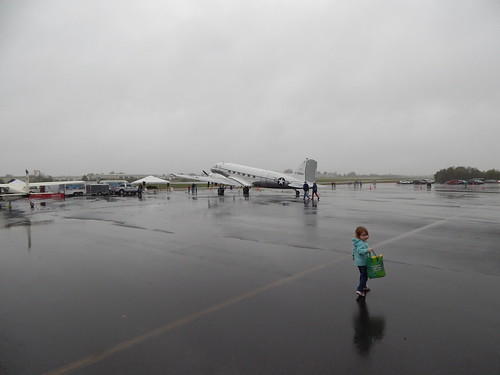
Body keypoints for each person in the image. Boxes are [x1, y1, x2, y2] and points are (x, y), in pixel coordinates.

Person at [352, 226, 373, 297]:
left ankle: (363, 285)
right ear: (358, 236)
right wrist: (367, 250)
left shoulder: (358, 242)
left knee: (362, 275)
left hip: (359, 262)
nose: (365, 236)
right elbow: (360, 251)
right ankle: (360, 289)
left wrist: (353, 256)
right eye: (363, 235)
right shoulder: (361, 243)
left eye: (366, 235)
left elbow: (354, 250)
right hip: (363, 262)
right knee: (364, 276)